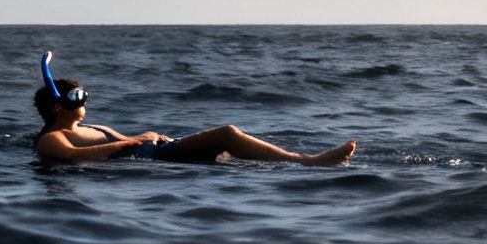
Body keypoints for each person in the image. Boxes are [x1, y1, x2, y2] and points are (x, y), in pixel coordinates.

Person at [32, 53, 355, 166]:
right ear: (59, 105)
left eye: (85, 93)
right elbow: (74, 157)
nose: (85, 101)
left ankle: (297, 160)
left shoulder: (94, 127)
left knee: (227, 143)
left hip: (159, 151)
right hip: (154, 160)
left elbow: (125, 139)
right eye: (77, 96)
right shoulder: (52, 138)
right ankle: (308, 162)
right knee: (227, 133)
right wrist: (131, 144)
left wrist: (143, 136)